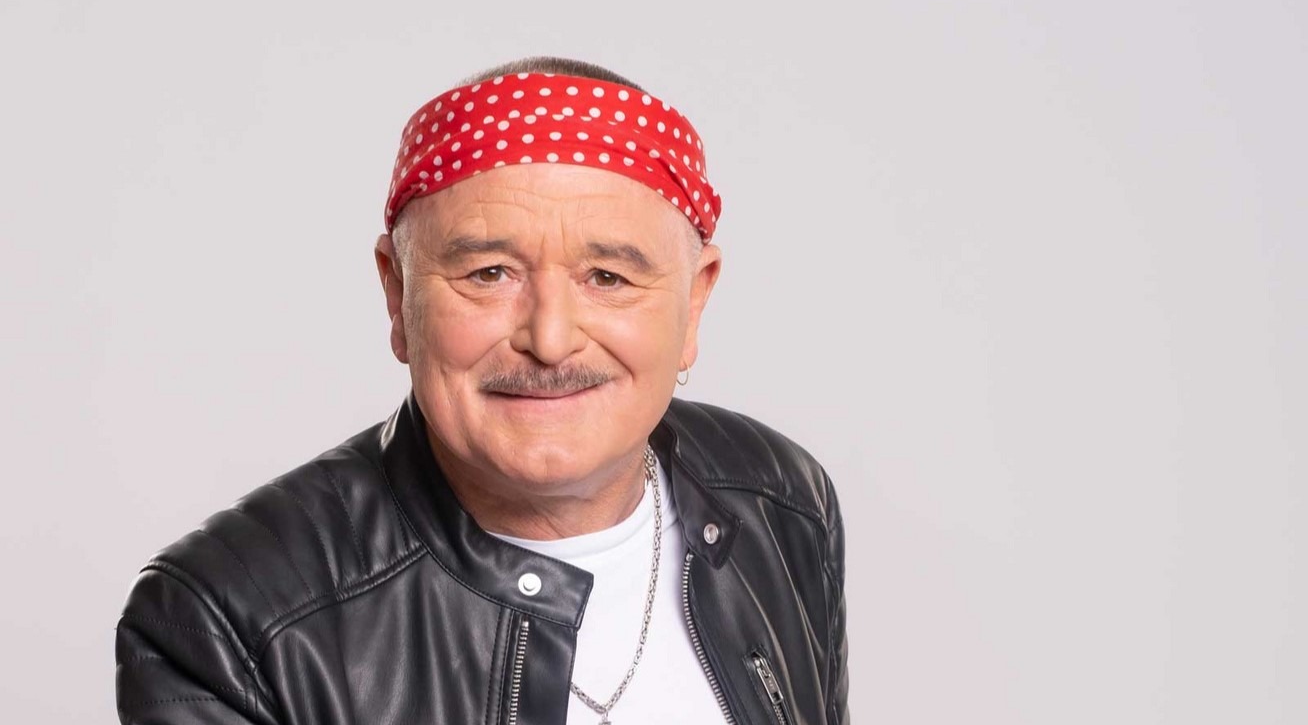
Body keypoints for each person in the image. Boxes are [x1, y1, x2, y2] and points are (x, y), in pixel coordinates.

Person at [115, 56, 849, 724]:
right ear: (398, 295)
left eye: (608, 277)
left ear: (694, 302)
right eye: (488, 274)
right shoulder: (227, 619)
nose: (550, 339)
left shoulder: (782, 500)